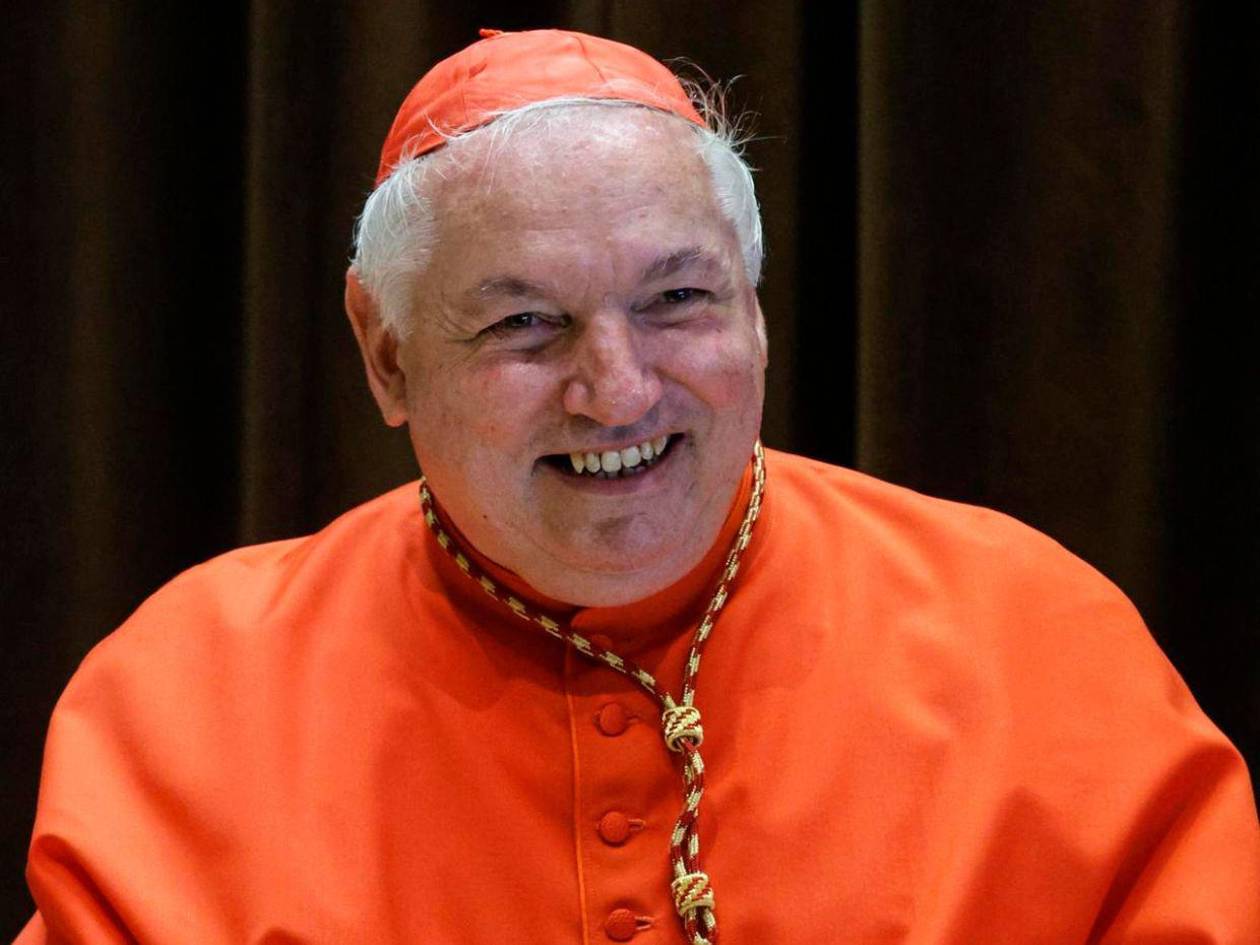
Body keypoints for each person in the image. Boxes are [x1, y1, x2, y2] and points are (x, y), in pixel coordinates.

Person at [14, 28, 1259, 945]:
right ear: (386, 355)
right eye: (524, 324)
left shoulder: (1039, 640)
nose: (616, 393)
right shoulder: (184, 704)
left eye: (677, 300)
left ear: (755, 311)